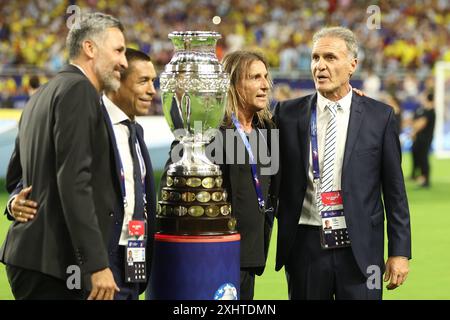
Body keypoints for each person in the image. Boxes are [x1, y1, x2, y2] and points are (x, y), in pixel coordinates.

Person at [5, 48, 158, 300]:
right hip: (93, 260)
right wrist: (14, 201)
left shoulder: (135, 131)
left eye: (153, 81)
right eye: (143, 81)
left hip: (131, 257)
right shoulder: (86, 117)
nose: (152, 90)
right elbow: (31, 173)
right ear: (117, 81)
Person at [274, 27, 411, 300]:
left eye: (330, 57)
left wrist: (400, 251)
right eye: (315, 58)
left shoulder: (379, 117)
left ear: (352, 65)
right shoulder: (287, 114)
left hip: (361, 248)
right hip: (305, 246)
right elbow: (260, 166)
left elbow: (395, 191)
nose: (320, 66)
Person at [0, 13, 128, 300]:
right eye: (118, 50)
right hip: (56, 264)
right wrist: (96, 264)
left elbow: (15, 176)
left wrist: (13, 203)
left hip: (30, 259)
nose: (124, 62)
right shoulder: (79, 91)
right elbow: (73, 180)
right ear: (90, 48)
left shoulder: (41, 94)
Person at [161, 50, 278, 300]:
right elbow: (172, 183)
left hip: (251, 254)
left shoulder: (267, 129)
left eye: (266, 77)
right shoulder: (207, 130)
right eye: (255, 77)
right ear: (233, 84)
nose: (265, 85)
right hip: (210, 252)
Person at [411, 90, 435, 188]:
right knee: (419, 157)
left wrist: (413, 131)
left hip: (425, 138)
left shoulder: (429, 111)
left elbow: (421, 123)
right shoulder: (426, 110)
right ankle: (420, 177)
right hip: (422, 138)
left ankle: (426, 180)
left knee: (423, 158)